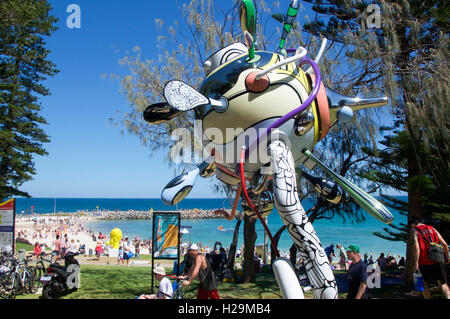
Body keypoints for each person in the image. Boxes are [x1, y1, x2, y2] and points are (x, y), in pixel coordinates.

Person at [409, 218, 449, 299]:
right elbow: (444, 244)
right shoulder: (432, 228)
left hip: (423, 261)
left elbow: (416, 246)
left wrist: (416, 263)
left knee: (422, 284)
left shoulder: (414, 230)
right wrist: (447, 257)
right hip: (437, 260)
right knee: (443, 283)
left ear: (413, 224)